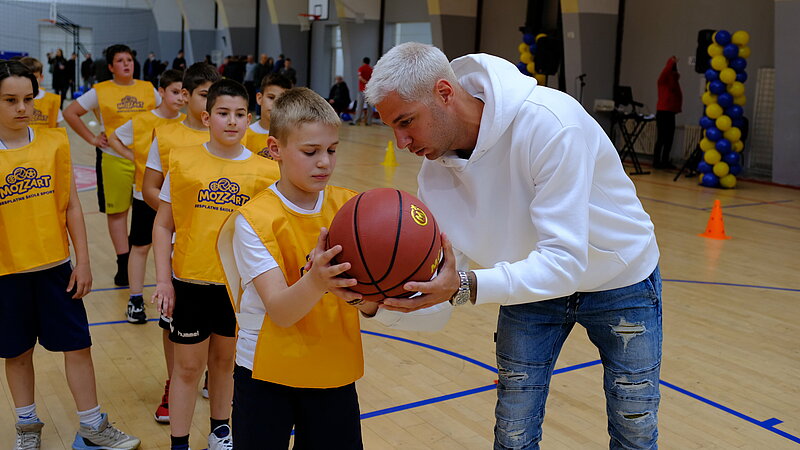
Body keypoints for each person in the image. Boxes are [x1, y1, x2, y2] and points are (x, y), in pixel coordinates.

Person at [366, 42, 662, 449]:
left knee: (634, 427)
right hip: (530, 284)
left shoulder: (551, 124)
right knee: (513, 431)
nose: (401, 142)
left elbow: (564, 263)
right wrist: (371, 301)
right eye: (393, 129)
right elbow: (437, 301)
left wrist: (467, 286)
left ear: (445, 93)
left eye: (406, 122)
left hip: (620, 280)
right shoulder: (433, 177)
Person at [216, 87, 375, 449]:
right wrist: (318, 279)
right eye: (310, 151)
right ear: (275, 149)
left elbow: (368, 304)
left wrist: (375, 293)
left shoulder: (351, 207)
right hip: (267, 373)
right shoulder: (254, 220)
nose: (325, 162)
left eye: (332, 150)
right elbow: (282, 312)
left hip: (333, 368)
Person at [0, 59, 140, 450]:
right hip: (7, 274)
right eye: (10, 100)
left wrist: (83, 260)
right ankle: (27, 427)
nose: (22, 108)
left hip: (56, 268)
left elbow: (72, 207)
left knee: (78, 345)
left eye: (28, 98)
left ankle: (93, 425)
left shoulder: (53, 141)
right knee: (17, 352)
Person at [151, 79, 279, 450]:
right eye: (223, 113)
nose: (232, 121)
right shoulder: (184, 161)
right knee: (187, 369)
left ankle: (220, 430)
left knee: (225, 364)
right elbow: (163, 224)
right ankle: (179, 442)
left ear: (250, 118)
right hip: (190, 282)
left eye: (240, 114)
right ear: (207, 117)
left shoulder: (264, 172)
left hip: (237, 287)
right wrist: (163, 281)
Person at [141, 62, 221, 425]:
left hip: (218, 249)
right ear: (186, 96)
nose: (211, 103)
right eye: (205, 95)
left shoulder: (229, 134)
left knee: (221, 327)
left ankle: (211, 382)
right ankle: (174, 384)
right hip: (179, 246)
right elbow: (149, 189)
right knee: (171, 323)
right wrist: (179, 215)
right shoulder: (167, 136)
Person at [63, 44, 161, 288]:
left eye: (129, 59)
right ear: (110, 67)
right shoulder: (100, 91)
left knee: (148, 210)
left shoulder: (148, 89)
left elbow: (168, 112)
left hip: (147, 160)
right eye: (120, 60)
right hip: (113, 157)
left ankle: (141, 255)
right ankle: (123, 261)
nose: (126, 63)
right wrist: (93, 138)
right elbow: (70, 112)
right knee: (118, 212)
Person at [107, 69, 185, 325]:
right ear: (161, 92)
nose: (180, 97)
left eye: (183, 92)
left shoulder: (185, 123)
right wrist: (133, 158)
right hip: (145, 194)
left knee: (174, 248)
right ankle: (136, 300)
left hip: (176, 198)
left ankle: (170, 300)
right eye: (174, 91)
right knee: (140, 248)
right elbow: (114, 137)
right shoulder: (142, 120)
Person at [244, 73, 291, 157]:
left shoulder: (292, 135)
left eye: (282, 100)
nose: (275, 104)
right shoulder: (245, 135)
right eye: (271, 97)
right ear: (259, 98)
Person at [653, 56, 682, 169]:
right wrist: (671, 61)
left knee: (669, 139)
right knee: (661, 138)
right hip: (663, 112)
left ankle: (664, 161)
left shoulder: (674, 81)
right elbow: (666, 71)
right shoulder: (663, 80)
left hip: (671, 112)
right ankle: (656, 162)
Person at [19, 57, 64, 129]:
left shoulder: (52, 100)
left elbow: (56, 126)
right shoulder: (13, 100)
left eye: (34, 78)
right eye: (26, 78)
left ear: (41, 77)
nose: (30, 81)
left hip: (46, 139)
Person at [352, 57, 372, 126]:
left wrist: (365, 82)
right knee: (370, 106)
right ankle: (369, 122)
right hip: (369, 90)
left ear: (363, 62)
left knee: (359, 105)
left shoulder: (361, 68)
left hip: (362, 89)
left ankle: (356, 121)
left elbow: (360, 77)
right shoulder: (371, 69)